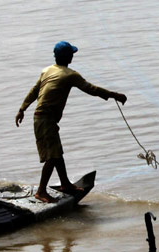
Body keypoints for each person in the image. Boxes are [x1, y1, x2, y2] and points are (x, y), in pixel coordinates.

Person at [16, 41, 127, 203]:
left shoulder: (47, 70)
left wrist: (22, 109)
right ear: (68, 56)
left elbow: (34, 90)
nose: (73, 56)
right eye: (72, 54)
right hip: (45, 119)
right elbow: (91, 89)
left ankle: (65, 183)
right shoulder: (70, 75)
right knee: (52, 157)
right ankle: (41, 191)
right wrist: (114, 95)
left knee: (57, 153)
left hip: (41, 118)